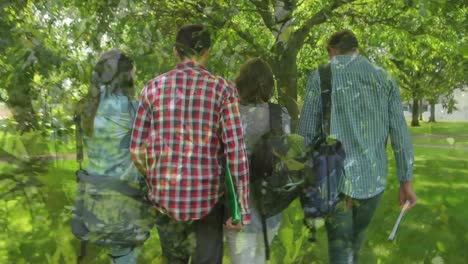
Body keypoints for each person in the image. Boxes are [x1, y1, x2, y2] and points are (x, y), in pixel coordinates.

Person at [130, 24, 250, 264]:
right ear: (207, 51)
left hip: (165, 200)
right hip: (208, 202)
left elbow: (136, 149)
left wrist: (155, 177)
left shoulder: (152, 89)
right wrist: (242, 208)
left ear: (176, 52)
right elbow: (236, 152)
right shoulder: (223, 90)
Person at [297, 30, 417, 263]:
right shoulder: (385, 78)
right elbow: (400, 134)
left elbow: (305, 134)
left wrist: (301, 175)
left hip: (334, 178)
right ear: (357, 49)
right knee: (355, 242)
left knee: (340, 247)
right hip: (374, 179)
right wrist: (406, 181)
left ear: (332, 51)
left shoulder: (321, 75)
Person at [75, 50, 150, 263]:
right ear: (125, 77)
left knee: (117, 255)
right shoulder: (133, 110)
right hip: (122, 202)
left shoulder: (86, 108)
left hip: (94, 201)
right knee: (125, 255)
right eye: (133, 74)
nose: (135, 77)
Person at [225, 58, 291, 263]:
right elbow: (286, 157)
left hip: (237, 210)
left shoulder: (230, 113)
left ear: (241, 83)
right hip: (270, 208)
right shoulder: (281, 114)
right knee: (261, 257)